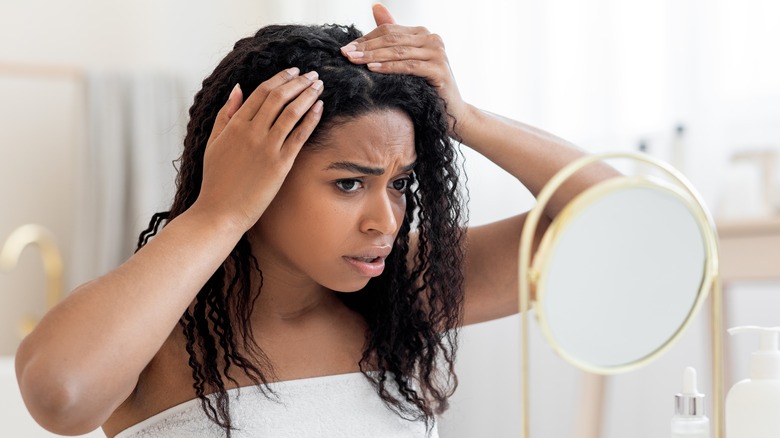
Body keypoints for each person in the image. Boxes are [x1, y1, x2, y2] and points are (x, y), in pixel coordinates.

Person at [15, 4, 615, 438]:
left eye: (400, 183)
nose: (385, 219)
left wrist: (467, 116)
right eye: (349, 183)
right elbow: (59, 398)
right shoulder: (155, 331)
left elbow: (623, 224)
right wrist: (220, 210)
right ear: (258, 175)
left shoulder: (403, 293)